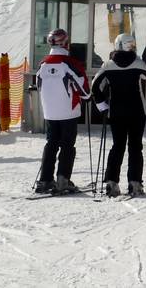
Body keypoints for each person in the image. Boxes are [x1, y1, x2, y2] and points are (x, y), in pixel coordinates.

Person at [91, 33, 146, 197]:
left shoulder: (108, 65)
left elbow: (95, 86)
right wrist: (137, 59)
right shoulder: (138, 63)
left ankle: (111, 182)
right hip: (137, 111)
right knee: (135, 147)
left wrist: (102, 105)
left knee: (117, 146)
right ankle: (135, 183)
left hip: (116, 112)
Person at [35, 29, 89, 193]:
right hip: (68, 111)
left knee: (51, 144)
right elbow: (85, 91)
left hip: (50, 111)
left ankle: (45, 180)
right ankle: (63, 179)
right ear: (65, 43)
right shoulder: (70, 63)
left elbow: (38, 86)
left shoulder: (43, 64)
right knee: (67, 146)